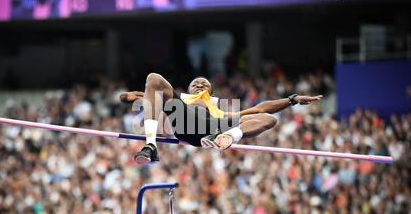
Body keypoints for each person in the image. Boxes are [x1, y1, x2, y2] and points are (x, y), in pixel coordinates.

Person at [120, 73, 322, 163]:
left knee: (269, 119)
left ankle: (227, 138)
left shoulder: (220, 110)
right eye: (196, 83)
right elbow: (140, 95)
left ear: (211, 91)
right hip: (183, 121)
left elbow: (261, 107)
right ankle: (150, 146)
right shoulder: (180, 98)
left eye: (204, 83)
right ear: (189, 88)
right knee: (154, 77)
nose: (199, 84)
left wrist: (292, 99)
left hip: (215, 128)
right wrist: (131, 96)